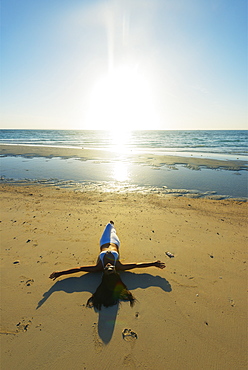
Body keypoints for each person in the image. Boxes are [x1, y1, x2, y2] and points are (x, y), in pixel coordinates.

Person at [49, 221, 165, 310]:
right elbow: (137, 265)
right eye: (111, 268)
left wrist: (61, 273)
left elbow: (79, 270)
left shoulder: (98, 267)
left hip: (104, 241)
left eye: (107, 268)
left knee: (108, 226)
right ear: (114, 270)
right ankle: (112, 226)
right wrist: (153, 263)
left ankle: (111, 224)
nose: (109, 265)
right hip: (115, 242)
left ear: (103, 271)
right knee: (113, 230)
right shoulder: (119, 266)